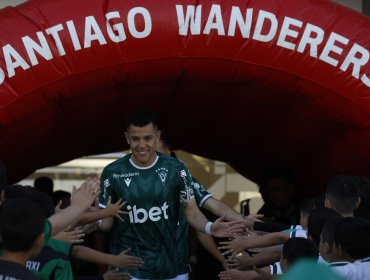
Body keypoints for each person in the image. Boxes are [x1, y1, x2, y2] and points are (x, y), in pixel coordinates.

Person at [98, 109, 244, 280]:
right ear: (127, 138)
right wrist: (88, 218)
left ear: (157, 136)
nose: (142, 145)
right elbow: (105, 224)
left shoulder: (177, 169)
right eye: (135, 139)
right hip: (130, 271)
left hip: (173, 270)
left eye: (148, 138)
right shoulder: (112, 172)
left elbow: (193, 211)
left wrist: (210, 227)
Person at [0, 178, 98, 279]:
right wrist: (78, 207)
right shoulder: (54, 263)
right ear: (40, 241)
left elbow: (52, 225)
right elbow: (53, 225)